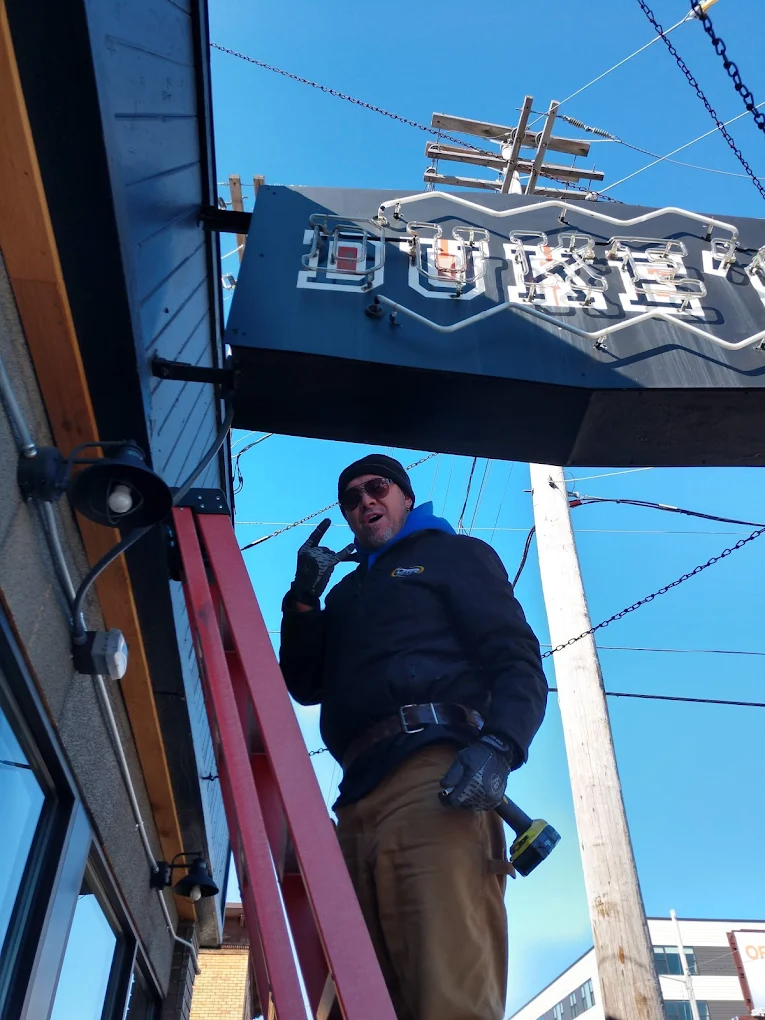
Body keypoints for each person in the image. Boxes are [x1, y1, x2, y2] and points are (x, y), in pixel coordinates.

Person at [280, 453, 547, 1020]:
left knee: (445, 991)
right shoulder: (346, 595)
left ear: (405, 496)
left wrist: (501, 745)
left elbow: (516, 658)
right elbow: (303, 685)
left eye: (376, 488)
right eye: (351, 499)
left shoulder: (453, 555)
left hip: (433, 780)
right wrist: (304, 602)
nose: (364, 502)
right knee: (361, 997)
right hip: (354, 797)